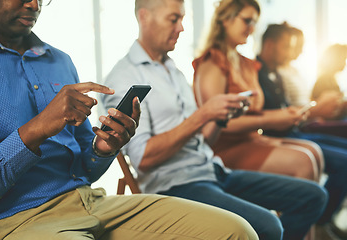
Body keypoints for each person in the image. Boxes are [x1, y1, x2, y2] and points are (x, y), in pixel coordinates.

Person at [0, 0, 262, 239]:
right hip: (15, 218)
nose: (34, 5)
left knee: (238, 232)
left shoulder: (59, 61)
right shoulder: (127, 71)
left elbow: (85, 166)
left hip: (87, 201)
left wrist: (104, 148)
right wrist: (37, 129)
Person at [102, 0, 328, 239]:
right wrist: (203, 114)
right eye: (173, 19)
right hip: (175, 185)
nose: (181, 28)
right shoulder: (124, 77)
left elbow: (203, 141)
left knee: (314, 197)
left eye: (182, 19)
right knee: (269, 226)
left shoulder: (173, 71)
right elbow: (143, 158)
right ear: (144, 17)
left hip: (212, 170)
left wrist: (220, 118)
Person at [192, 0, 324, 183]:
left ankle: (290, 209)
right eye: (247, 21)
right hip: (224, 148)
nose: (251, 29)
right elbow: (218, 122)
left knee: (314, 151)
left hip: (251, 139)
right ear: (225, 19)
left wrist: (284, 114)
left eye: (254, 23)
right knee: (304, 161)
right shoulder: (212, 63)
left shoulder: (245, 63)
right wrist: (274, 119)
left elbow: (255, 112)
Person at [257, 22, 347, 236]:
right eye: (286, 47)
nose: (290, 53)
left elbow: (287, 112)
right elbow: (275, 117)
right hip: (286, 133)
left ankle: (322, 219)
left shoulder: (276, 74)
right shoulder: (258, 73)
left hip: (295, 130)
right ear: (270, 45)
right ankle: (321, 220)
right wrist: (316, 109)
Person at [278, 27, 347, 139]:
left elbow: (309, 104)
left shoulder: (296, 72)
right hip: (306, 124)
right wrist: (320, 106)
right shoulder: (279, 74)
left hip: (310, 119)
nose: (300, 51)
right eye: (294, 46)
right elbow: (289, 109)